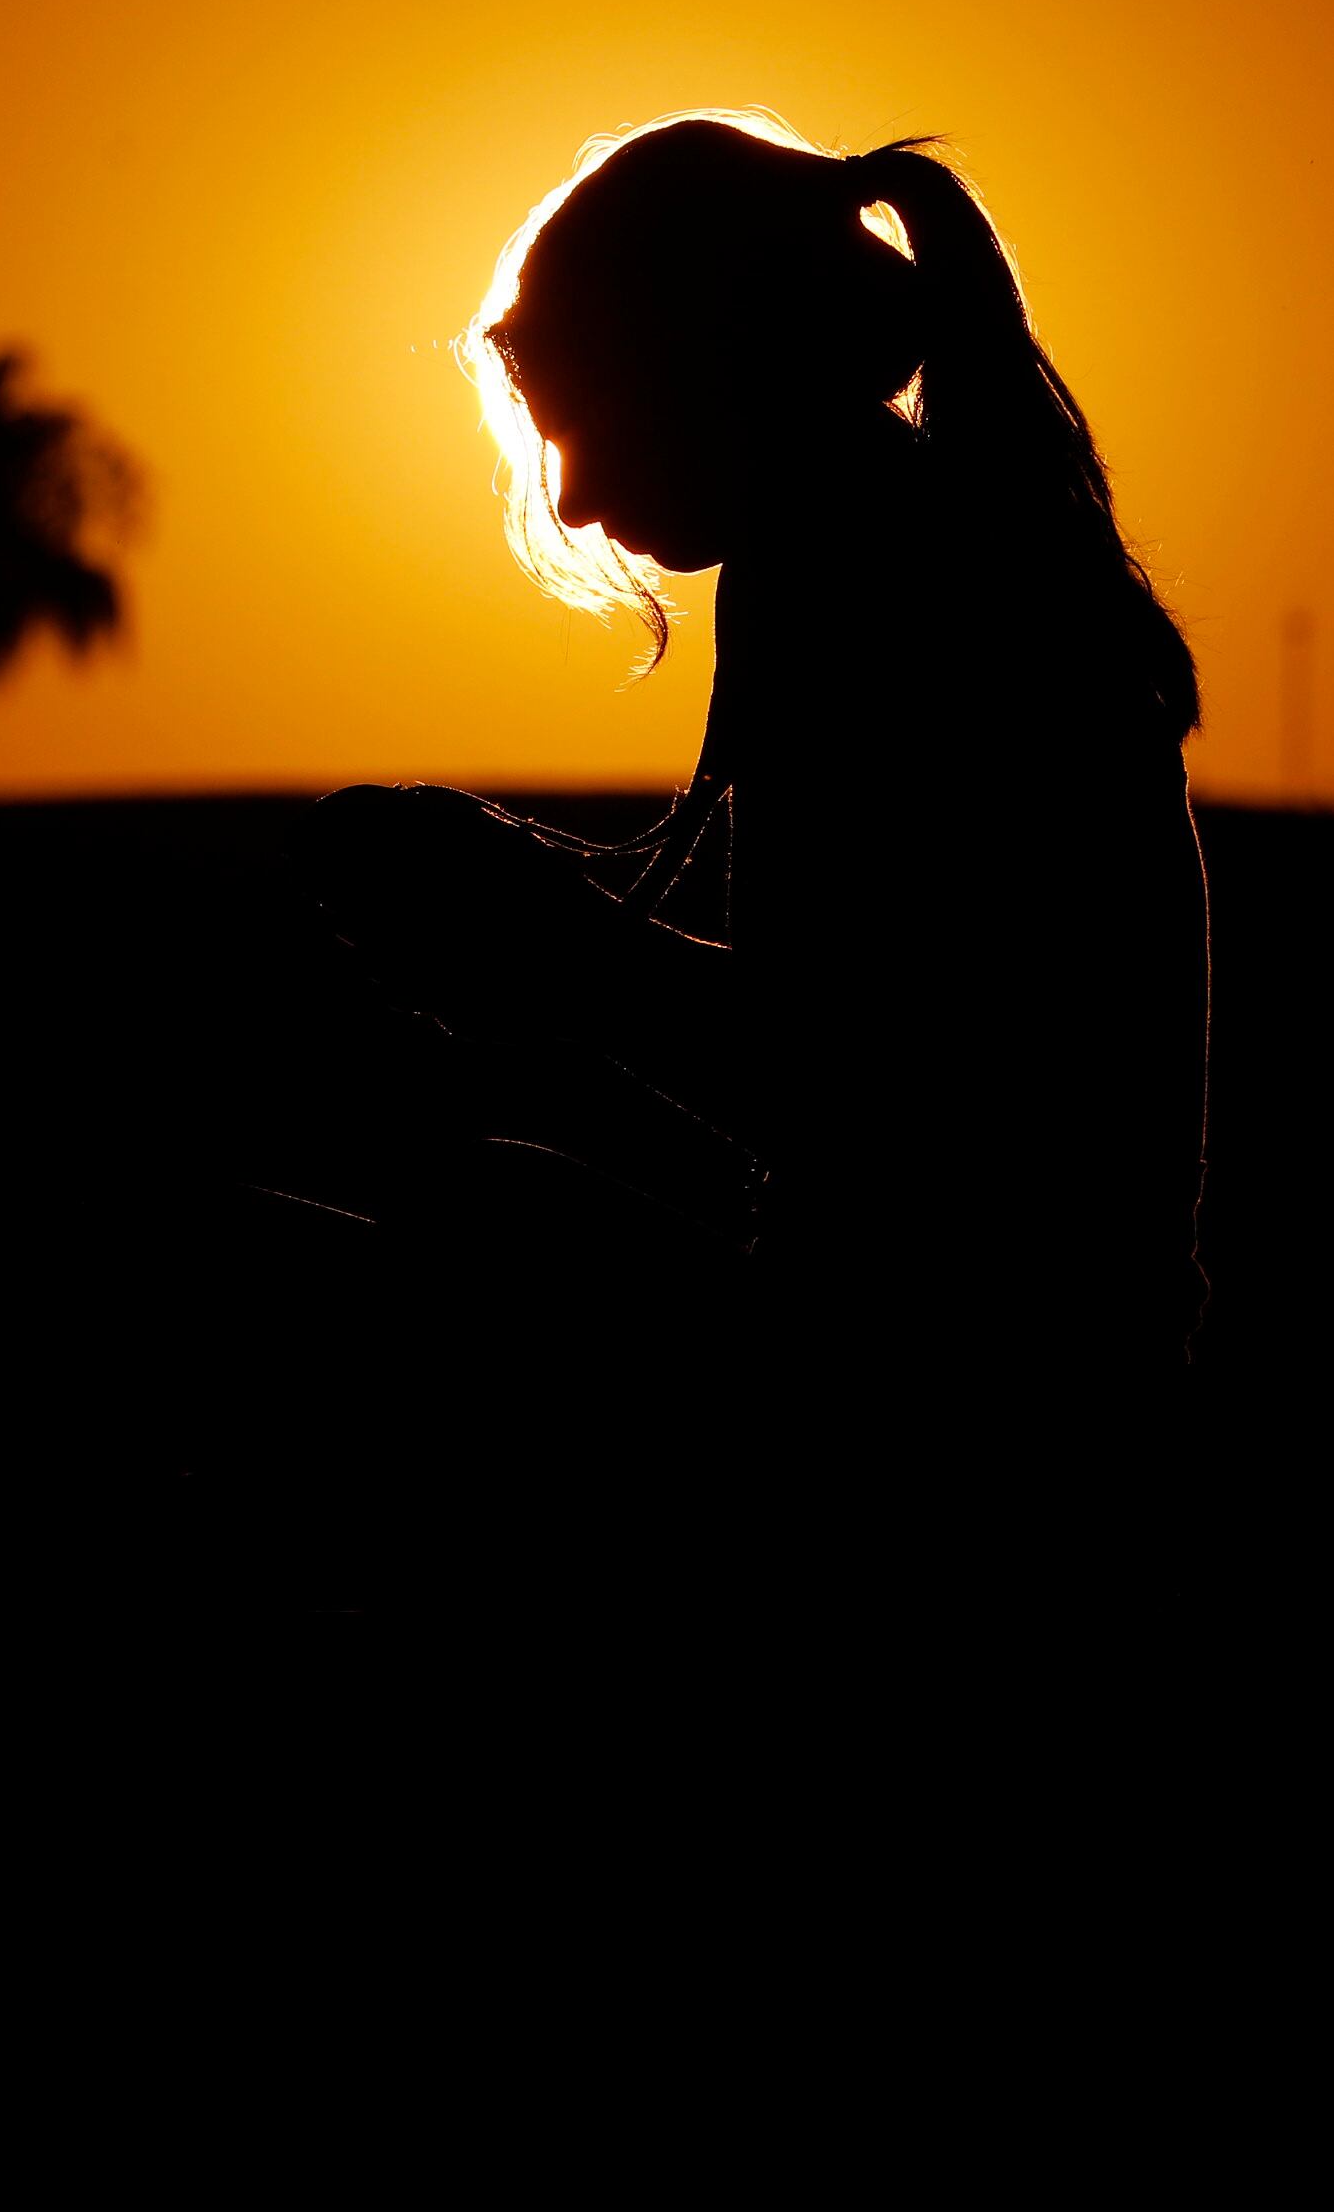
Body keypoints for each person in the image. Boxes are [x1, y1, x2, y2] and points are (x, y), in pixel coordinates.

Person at [301, 115, 1209, 1557]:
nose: (579, 499)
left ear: (708, 364)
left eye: (581, 422)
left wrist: (530, 932)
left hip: (978, 1425)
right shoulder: (931, 545)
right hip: (1053, 1387)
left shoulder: (862, 582)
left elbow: (858, 1084)